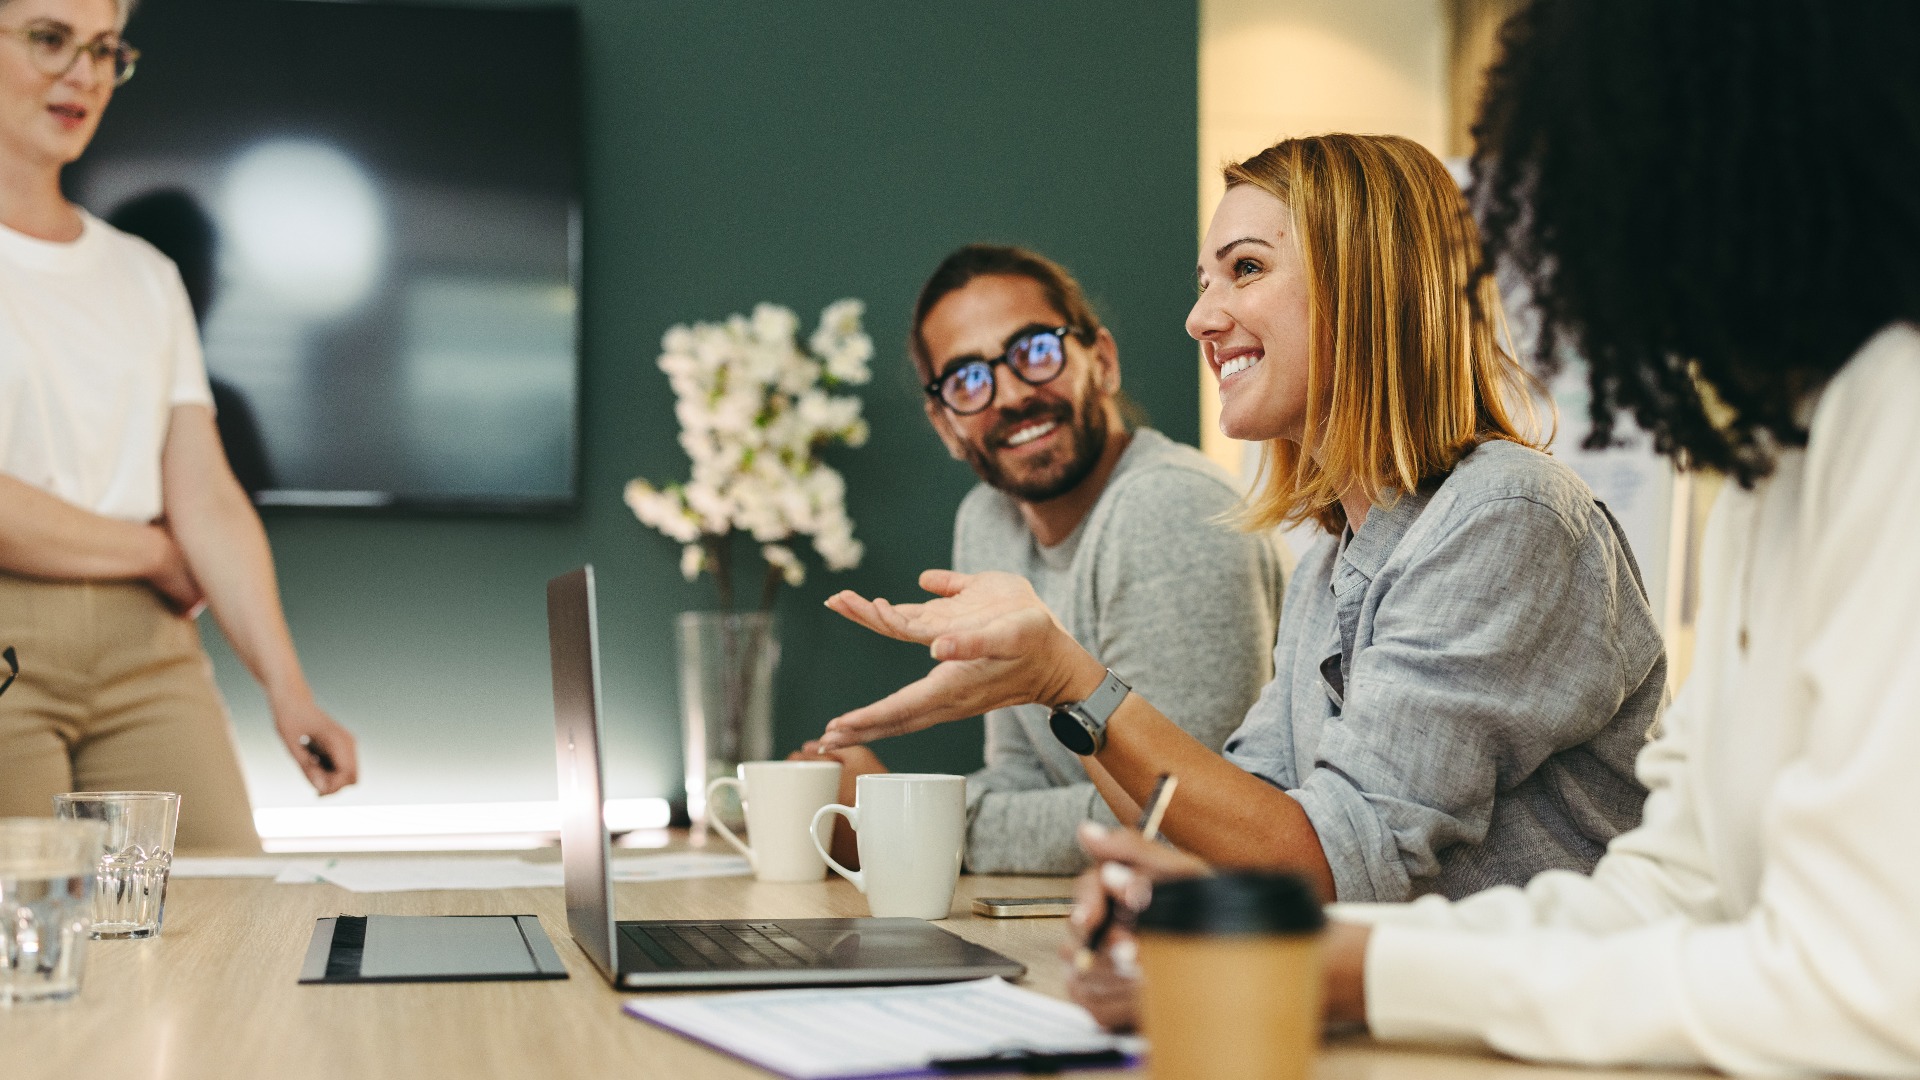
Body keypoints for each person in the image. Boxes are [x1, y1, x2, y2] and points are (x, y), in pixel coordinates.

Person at [1069, 1, 1920, 1071]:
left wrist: (1342, 964)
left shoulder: (1891, 414)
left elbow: (1862, 995)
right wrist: (1297, 950)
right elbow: (1670, 890)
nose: (1561, 245)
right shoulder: (1769, 464)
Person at [815, 134, 1666, 904]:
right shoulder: (1335, 561)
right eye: (1204, 282)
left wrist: (1066, 678)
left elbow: (1332, 861)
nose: (1199, 319)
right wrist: (1054, 694)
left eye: (1247, 269)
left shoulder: (1506, 515)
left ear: (1363, 280)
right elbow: (1228, 823)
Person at [798, 244, 1285, 874]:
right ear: (946, 425)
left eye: (1033, 350)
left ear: (1102, 361)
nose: (1008, 395)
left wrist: (899, 821)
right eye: (969, 379)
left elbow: (1179, 824)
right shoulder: (988, 521)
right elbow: (1022, 776)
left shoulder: (1171, 507)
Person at [0, 0, 357, 853]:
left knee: (228, 919)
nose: (83, 74)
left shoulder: (145, 275)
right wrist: (155, 553)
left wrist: (288, 688)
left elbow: (208, 494)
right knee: (35, 951)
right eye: (50, 40)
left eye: (104, 50)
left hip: (150, 654)